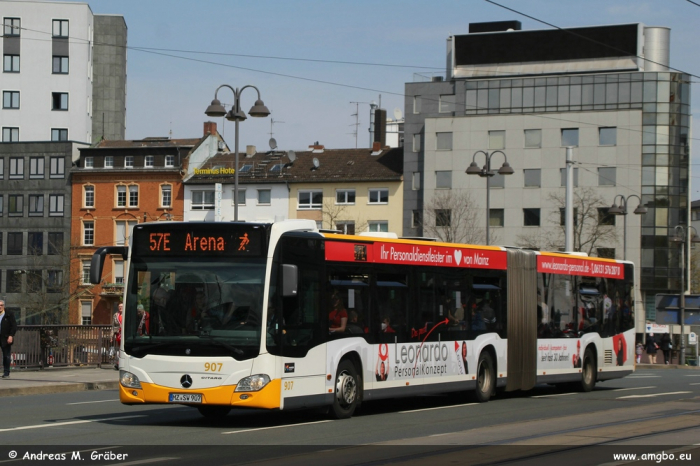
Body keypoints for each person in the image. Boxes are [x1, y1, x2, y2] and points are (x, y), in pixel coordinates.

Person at [0, 300, 17, 378]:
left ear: (4, 306)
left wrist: (11, 335)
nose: (0, 307)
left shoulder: (9, 314)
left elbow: (14, 326)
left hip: (5, 338)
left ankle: (6, 372)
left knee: (6, 356)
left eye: (1, 305)